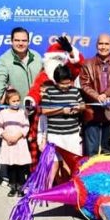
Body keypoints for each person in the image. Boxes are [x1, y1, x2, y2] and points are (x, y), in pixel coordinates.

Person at [25, 36, 84, 170]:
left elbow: (78, 65)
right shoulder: (43, 76)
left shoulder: (67, 73)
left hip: (69, 127)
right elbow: (35, 90)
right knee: (50, 156)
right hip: (49, 123)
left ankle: (69, 179)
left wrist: (71, 51)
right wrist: (30, 101)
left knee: (70, 157)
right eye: (53, 60)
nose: (56, 64)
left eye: (59, 60)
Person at [39, 65, 85, 186]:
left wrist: (78, 108)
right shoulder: (49, 92)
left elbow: (83, 105)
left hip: (72, 134)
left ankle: (71, 186)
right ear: (56, 81)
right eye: (62, 84)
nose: (65, 86)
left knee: (71, 162)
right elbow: (44, 111)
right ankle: (48, 186)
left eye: (68, 83)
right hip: (55, 134)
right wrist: (61, 110)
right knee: (54, 161)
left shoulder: (75, 91)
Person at [80, 33, 110, 156]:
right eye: (100, 44)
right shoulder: (87, 63)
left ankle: (107, 169)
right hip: (92, 113)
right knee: (91, 151)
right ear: (96, 45)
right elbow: (84, 85)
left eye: (106, 44)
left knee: (108, 150)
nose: (103, 47)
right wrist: (97, 96)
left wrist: (105, 95)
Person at [0, 27, 42, 105]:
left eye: (24, 40)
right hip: (17, 108)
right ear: (11, 41)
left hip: (38, 106)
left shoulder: (37, 56)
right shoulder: (4, 60)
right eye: (17, 40)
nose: (21, 43)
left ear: (28, 42)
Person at [0, 89, 31, 197]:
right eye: (13, 101)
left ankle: (21, 187)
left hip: (19, 142)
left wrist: (17, 137)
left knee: (21, 166)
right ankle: (12, 187)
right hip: (8, 143)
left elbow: (26, 126)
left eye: (18, 101)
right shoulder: (3, 113)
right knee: (11, 166)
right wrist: (6, 137)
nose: (16, 103)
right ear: (8, 101)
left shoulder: (22, 112)